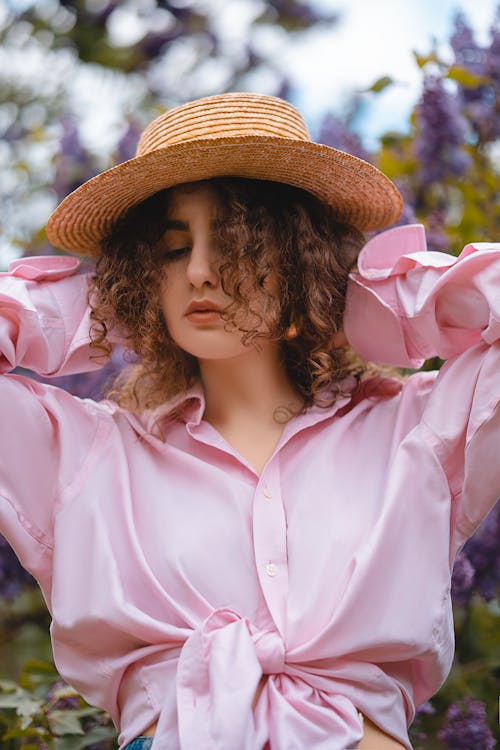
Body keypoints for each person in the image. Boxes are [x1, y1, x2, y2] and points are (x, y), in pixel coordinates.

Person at [0, 92, 498, 750]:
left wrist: (384, 302)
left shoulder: (417, 430)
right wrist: (85, 311)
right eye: (173, 251)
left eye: (236, 244)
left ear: (303, 262)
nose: (201, 273)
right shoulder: (84, 453)